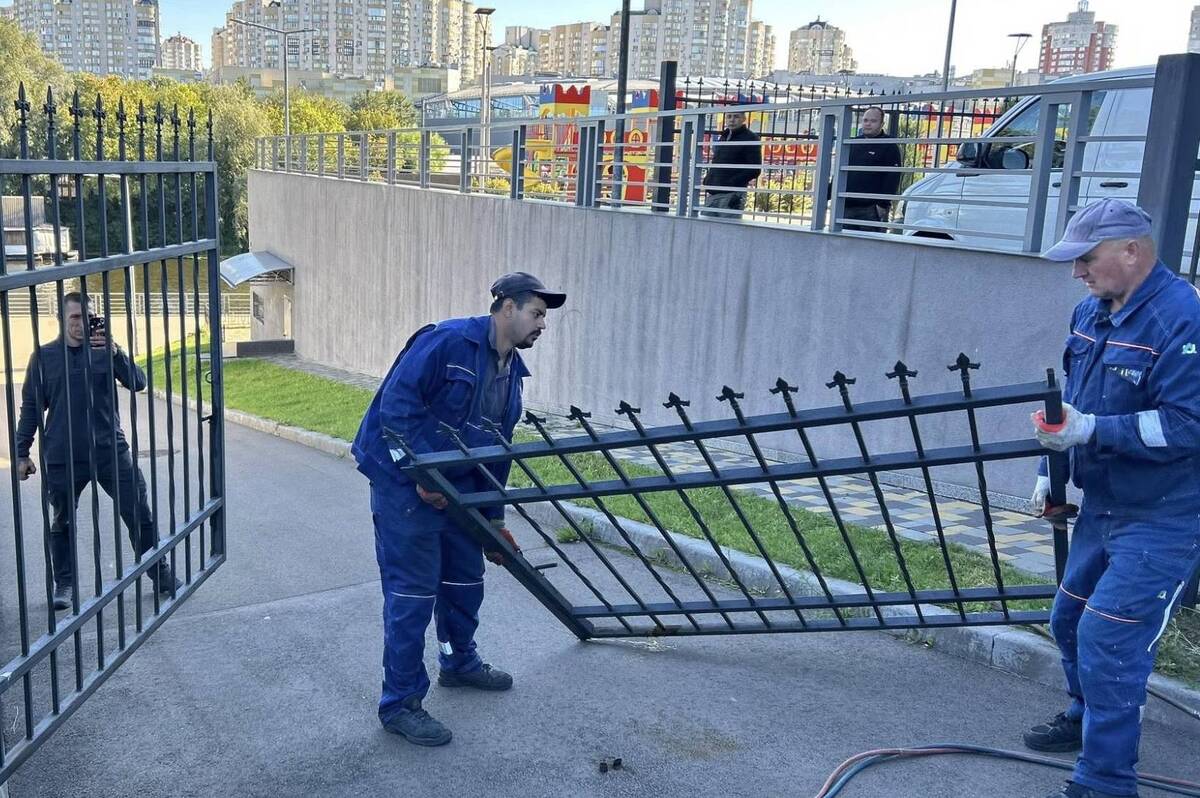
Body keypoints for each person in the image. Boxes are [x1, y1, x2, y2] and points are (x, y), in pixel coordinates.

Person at [1025, 198, 1200, 798]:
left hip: (1166, 514)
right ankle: (1084, 717)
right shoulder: (1090, 313)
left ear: (1132, 251)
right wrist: (1054, 469)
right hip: (1102, 504)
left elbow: (1188, 425)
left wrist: (1092, 431)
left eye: (1088, 259)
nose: (1078, 273)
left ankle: (1104, 782)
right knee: (1069, 621)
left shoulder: (1185, 321)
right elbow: (1072, 404)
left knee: (1111, 639)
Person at [352, 271, 566, 747]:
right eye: (536, 314)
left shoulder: (511, 373)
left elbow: (498, 449)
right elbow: (397, 408)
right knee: (413, 596)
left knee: (464, 580)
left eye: (544, 318)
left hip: (458, 493)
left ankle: (457, 660)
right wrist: (423, 475)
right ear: (506, 308)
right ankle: (400, 703)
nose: (542, 325)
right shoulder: (445, 341)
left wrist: (493, 519)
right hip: (405, 488)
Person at [15, 292, 178, 612]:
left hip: (109, 451)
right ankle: (65, 584)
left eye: (87, 318)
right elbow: (31, 408)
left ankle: (159, 573)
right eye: (75, 318)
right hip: (63, 456)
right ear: (62, 320)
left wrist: (116, 351)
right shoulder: (44, 357)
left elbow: (138, 382)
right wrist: (22, 452)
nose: (81, 325)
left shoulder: (106, 352)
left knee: (139, 512)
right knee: (61, 522)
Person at [841, 106, 902, 232]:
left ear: (882, 124)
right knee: (841, 248)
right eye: (865, 120)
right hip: (845, 207)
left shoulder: (889, 145)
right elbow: (841, 171)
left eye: (873, 121)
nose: (868, 124)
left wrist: (882, 205)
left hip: (871, 210)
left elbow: (892, 178)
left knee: (870, 248)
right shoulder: (852, 144)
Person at [701, 110, 762, 220]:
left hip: (732, 194)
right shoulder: (724, 137)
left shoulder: (750, 138)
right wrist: (708, 180)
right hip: (713, 193)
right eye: (729, 117)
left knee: (728, 232)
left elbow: (754, 169)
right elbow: (717, 161)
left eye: (736, 116)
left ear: (744, 119)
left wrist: (731, 182)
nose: (732, 120)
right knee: (706, 229)